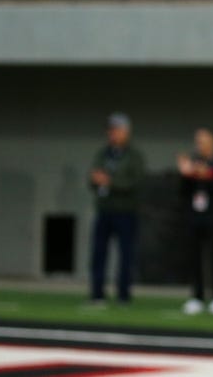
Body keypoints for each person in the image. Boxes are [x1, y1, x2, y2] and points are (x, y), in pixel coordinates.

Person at [89, 112, 146, 305]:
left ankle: (123, 295)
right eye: (110, 130)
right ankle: (97, 294)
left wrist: (111, 182)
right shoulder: (103, 154)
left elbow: (136, 181)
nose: (112, 134)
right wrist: (96, 180)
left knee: (126, 255)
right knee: (98, 253)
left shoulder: (134, 155)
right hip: (104, 210)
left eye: (117, 130)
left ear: (126, 132)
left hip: (125, 212)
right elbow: (93, 177)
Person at [177, 128, 213, 316]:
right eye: (197, 142)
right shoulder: (193, 163)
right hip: (194, 217)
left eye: (203, 142)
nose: (199, 145)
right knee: (195, 258)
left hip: (212, 217)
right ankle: (197, 297)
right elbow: (183, 190)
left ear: (211, 143)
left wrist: (202, 173)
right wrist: (186, 173)